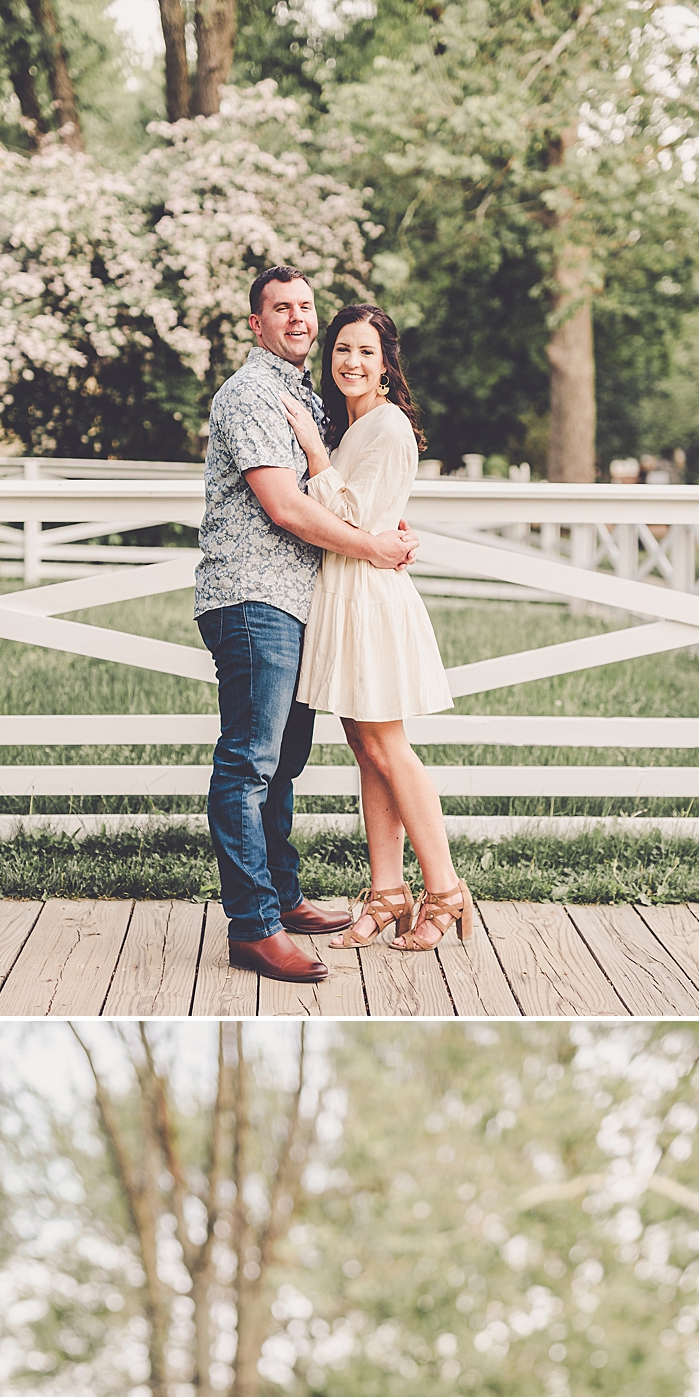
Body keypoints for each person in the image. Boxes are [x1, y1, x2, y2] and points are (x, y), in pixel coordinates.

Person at [197, 268, 423, 987]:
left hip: (299, 603)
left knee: (284, 763)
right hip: (252, 598)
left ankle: (285, 897)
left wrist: (380, 523)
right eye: (280, 309)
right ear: (256, 324)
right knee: (249, 763)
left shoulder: (309, 399)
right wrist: (375, 546)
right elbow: (287, 509)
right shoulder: (252, 394)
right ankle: (253, 926)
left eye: (304, 307)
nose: (296, 318)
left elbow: (346, 492)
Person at [280, 305, 472, 954]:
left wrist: (311, 450)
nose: (350, 362)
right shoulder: (352, 425)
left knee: (389, 746)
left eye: (365, 351)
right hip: (343, 593)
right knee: (366, 748)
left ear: (387, 362)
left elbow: (357, 520)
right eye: (341, 349)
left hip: (370, 595)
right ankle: (388, 890)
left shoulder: (386, 427)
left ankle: (443, 888)